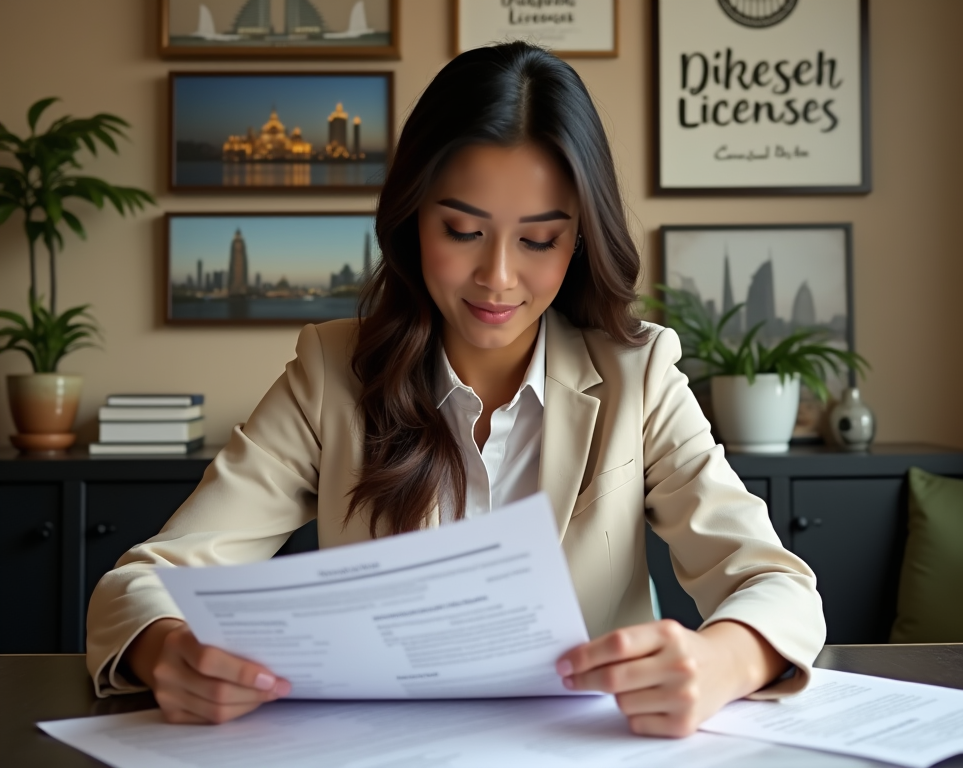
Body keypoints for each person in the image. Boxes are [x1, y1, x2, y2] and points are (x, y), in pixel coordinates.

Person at [87, 42, 825, 736]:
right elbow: (148, 579)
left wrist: (721, 661)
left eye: (539, 239)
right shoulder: (331, 372)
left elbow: (776, 582)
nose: (498, 278)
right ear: (413, 220)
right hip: (380, 746)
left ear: (581, 238)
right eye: (462, 230)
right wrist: (165, 650)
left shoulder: (639, 376)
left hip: (583, 748)